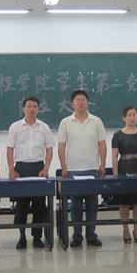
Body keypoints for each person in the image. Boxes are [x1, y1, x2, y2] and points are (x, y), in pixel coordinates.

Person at [58, 89, 107, 248]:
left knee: (92, 205)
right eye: (77, 100)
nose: (81, 102)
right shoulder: (66, 122)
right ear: (72, 104)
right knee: (75, 206)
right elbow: (61, 146)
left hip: (92, 169)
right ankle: (77, 236)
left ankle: (91, 235)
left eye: (83, 100)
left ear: (87, 102)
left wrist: (102, 164)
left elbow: (102, 144)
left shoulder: (96, 121)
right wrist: (63, 166)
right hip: (73, 170)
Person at [6, 96, 55, 249]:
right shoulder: (15, 127)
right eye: (29, 106)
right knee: (21, 205)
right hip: (20, 168)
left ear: (38, 109)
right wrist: (11, 169)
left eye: (34, 106)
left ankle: (37, 238)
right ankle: (22, 237)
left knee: (39, 205)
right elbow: (9, 149)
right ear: (23, 109)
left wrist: (46, 168)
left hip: (38, 168)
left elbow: (49, 149)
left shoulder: (44, 127)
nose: (32, 109)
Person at [111, 106, 137, 243]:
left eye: (134, 114)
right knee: (124, 202)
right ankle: (125, 230)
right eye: (129, 115)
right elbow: (114, 156)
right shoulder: (118, 135)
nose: (132, 117)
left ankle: (136, 230)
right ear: (124, 118)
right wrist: (115, 174)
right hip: (123, 168)